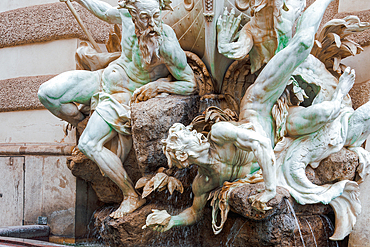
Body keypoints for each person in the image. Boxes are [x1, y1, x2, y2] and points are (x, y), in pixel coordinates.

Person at [145, 0, 335, 232]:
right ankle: (340, 95)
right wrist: (171, 220)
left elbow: (261, 143)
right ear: (183, 159)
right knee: (326, 114)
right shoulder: (203, 183)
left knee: (302, 43)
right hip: (280, 133)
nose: (191, 137)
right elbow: (195, 213)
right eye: (181, 146)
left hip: (259, 105)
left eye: (185, 138)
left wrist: (269, 190)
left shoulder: (218, 135)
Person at [38, 0, 196, 218]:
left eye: (156, 16)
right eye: (145, 18)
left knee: (88, 144)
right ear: (133, 14)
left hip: (122, 98)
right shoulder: (126, 18)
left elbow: (190, 83)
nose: (152, 23)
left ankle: (130, 195)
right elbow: (104, 10)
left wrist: (158, 86)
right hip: (103, 78)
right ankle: (83, 121)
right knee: (47, 94)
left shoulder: (165, 44)